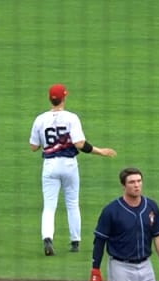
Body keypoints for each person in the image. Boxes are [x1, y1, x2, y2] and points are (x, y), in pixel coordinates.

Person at [29, 84, 117, 256]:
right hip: (69, 165)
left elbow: (33, 146)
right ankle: (75, 242)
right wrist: (101, 151)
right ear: (64, 98)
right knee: (72, 203)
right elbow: (79, 144)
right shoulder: (71, 118)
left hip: (49, 166)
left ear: (50, 99)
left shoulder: (40, 119)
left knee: (49, 206)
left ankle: (47, 238)